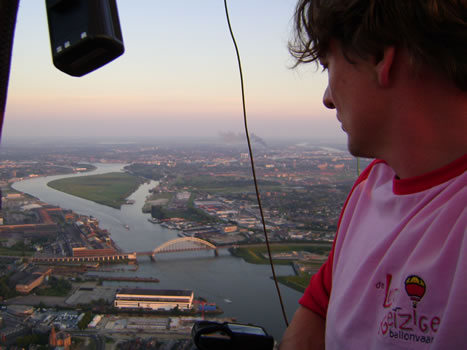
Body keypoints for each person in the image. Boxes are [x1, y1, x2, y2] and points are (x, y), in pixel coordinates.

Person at [280, 0, 467, 349]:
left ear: (381, 56)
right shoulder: (371, 187)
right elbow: (319, 308)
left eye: (327, 66)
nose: (327, 99)